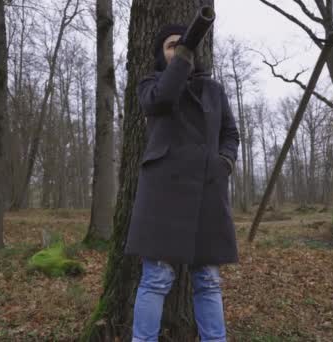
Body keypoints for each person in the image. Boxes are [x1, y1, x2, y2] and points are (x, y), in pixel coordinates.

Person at [123, 23, 240, 342]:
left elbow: (230, 133)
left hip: (207, 192)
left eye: (183, 44)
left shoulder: (214, 90)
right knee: (157, 278)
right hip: (163, 193)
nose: (177, 49)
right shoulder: (152, 83)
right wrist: (182, 58)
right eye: (170, 46)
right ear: (162, 55)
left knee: (208, 280)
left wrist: (224, 163)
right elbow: (160, 101)